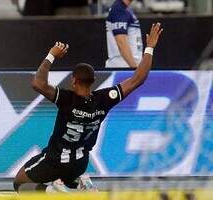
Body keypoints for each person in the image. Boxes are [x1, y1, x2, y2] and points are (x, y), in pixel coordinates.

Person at [13, 23, 163, 192]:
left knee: (19, 184)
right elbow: (138, 79)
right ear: (92, 81)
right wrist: (149, 47)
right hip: (80, 164)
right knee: (68, 176)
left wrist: (51, 55)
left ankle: (52, 191)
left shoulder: (66, 99)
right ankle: (78, 184)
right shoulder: (104, 99)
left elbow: (38, 83)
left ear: (74, 81)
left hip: (55, 161)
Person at [106, 0, 143, 68]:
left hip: (127, 66)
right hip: (123, 67)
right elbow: (121, 43)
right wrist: (135, 68)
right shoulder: (119, 10)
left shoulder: (124, 9)